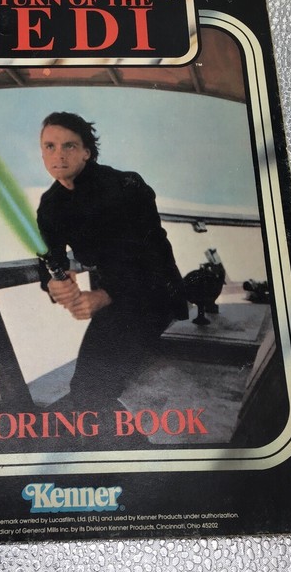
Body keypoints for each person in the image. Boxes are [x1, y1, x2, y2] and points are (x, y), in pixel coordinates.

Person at [37, 111, 188, 414]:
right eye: (50, 146)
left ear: (86, 152)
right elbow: (50, 258)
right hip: (117, 300)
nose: (58, 155)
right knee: (88, 388)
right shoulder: (51, 205)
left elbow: (152, 257)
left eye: (69, 146)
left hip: (155, 294)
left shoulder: (126, 186)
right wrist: (55, 284)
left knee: (90, 389)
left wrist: (106, 295)